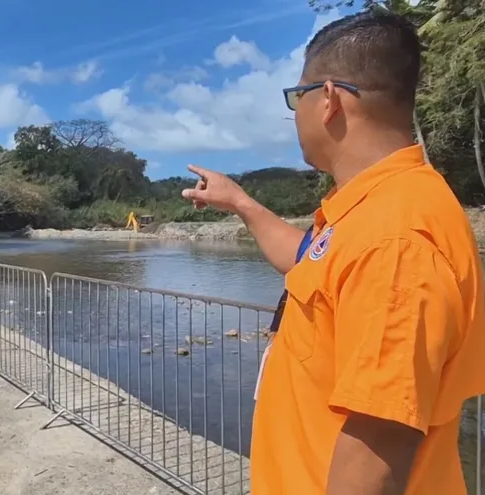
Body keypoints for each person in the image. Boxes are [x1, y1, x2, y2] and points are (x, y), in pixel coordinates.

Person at [181, 12, 485, 495]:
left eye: (295, 96)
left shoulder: (395, 241)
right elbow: (308, 260)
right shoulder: (370, 211)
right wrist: (240, 201)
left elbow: (377, 452)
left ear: (327, 99)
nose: (293, 112)